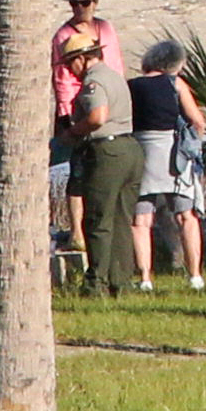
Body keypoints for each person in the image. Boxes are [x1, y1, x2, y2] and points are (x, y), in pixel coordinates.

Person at [127, 36, 206, 291]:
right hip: (173, 156)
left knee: (141, 220)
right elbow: (197, 121)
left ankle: (144, 278)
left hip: (141, 153)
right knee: (186, 216)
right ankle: (195, 275)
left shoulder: (131, 86)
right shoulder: (176, 84)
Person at [70, 44, 147, 298]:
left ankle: (96, 284)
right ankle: (121, 281)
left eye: (71, 63)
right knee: (122, 219)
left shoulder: (94, 82)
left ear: (82, 58)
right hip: (130, 148)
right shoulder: (115, 76)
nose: (70, 70)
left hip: (107, 151)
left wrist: (72, 132)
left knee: (98, 219)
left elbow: (97, 117)